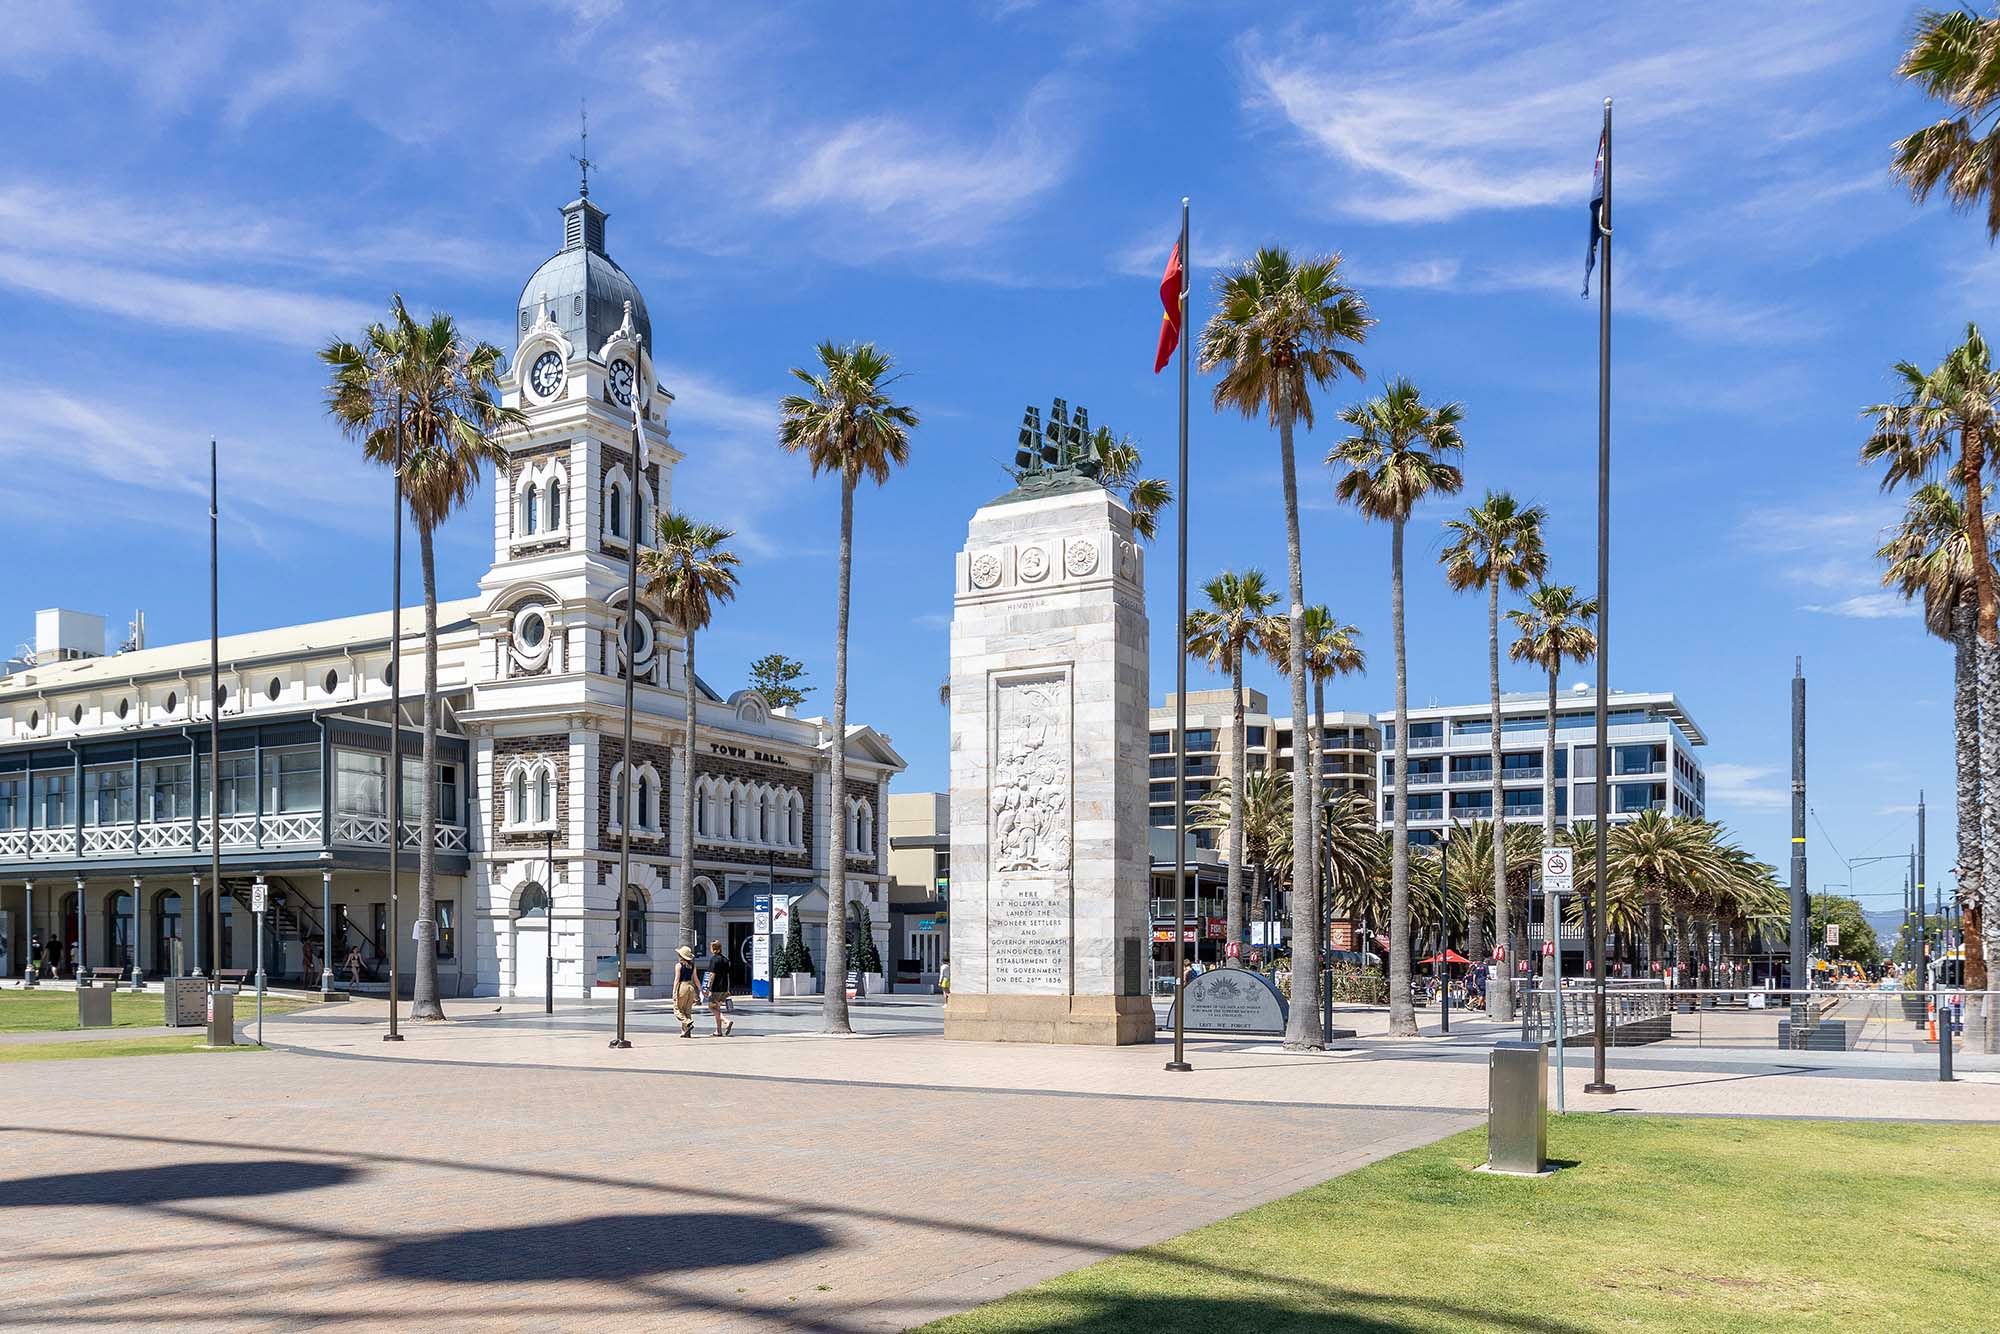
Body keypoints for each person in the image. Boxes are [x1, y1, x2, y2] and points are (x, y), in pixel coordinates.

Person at [703, 939, 734, 1036]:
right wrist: (728, 989)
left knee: (712, 1007)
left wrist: (708, 988)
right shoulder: (726, 960)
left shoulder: (714, 959)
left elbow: (711, 975)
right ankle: (718, 1030)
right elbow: (728, 975)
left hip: (716, 988)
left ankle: (726, 1021)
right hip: (724, 987)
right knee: (717, 1008)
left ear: (713, 948)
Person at [673, 944, 698, 1038]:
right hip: (690, 987)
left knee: (677, 1009)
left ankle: (688, 1022)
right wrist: (700, 990)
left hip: (682, 987)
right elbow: (695, 979)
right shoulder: (692, 966)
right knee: (687, 1010)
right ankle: (686, 1031)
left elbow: (677, 979)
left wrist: (674, 992)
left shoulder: (678, 966)